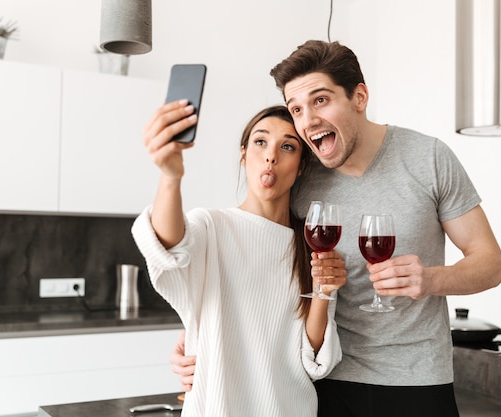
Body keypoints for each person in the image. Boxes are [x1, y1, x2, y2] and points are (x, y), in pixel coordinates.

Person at [170, 40, 501, 416]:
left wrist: (430, 280)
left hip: (418, 380)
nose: (308, 120)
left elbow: (490, 264)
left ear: (359, 96)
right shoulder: (300, 175)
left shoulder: (428, 157)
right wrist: (195, 334)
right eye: (297, 108)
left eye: (320, 100)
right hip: (324, 383)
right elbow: (249, 258)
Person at [131, 102, 346, 416]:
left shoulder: (314, 245)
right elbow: (168, 245)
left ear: (300, 166)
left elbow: (311, 360)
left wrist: (324, 290)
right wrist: (170, 176)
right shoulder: (211, 226)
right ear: (244, 155)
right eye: (260, 142)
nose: (271, 155)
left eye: (287, 146)